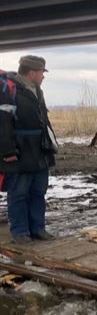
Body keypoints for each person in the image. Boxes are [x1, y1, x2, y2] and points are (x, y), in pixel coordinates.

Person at [0, 55, 57, 244]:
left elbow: (44, 120)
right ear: (32, 73)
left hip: (40, 151)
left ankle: (38, 229)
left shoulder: (37, 90)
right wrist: (8, 151)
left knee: (38, 192)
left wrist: (52, 143)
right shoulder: (10, 90)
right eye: (42, 72)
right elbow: (3, 122)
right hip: (20, 152)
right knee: (19, 193)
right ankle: (20, 232)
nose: (44, 76)